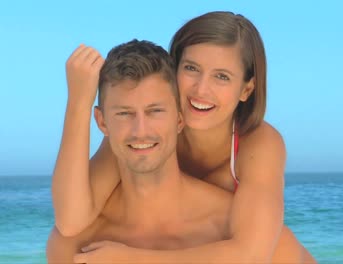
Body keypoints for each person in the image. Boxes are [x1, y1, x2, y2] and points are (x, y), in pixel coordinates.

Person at [52, 11, 299, 262]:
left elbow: (252, 255)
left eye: (222, 76)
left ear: (246, 89)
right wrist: (79, 101)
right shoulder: (145, 129)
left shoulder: (259, 144)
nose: (201, 90)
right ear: (174, 68)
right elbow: (70, 221)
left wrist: (132, 259)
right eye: (191, 68)